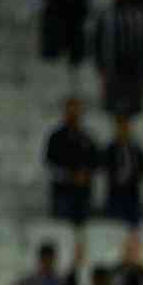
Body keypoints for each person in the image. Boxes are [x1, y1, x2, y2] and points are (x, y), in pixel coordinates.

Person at [93, 0, 143, 118]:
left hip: (135, 70)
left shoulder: (140, 15)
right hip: (113, 68)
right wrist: (101, 70)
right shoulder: (107, 15)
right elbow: (97, 45)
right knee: (112, 109)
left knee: (135, 109)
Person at [45, 97, 99, 232]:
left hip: (83, 196)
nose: (74, 113)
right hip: (62, 195)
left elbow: (96, 163)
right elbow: (50, 165)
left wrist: (85, 175)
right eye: (71, 110)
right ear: (65, 112)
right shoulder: (56, 138)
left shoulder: (87, 138)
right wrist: (70, 176)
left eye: (77, 110)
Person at [102, 115, 143, 230]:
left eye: (126, 127)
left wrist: (136, 177)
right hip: (115, 194)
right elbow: (104, 169)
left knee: (135, 228)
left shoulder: (136, 148)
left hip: (133, 194)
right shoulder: (110, 149)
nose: (124, 130)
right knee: (114, 229)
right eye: (121, 127)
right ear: (116, 129)